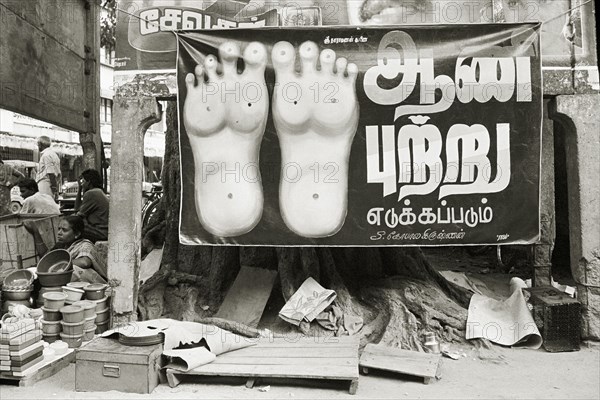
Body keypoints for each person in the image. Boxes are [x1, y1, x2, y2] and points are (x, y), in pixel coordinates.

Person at [26, 215, 107, 284]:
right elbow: (46, 258)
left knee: (72, 271)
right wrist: (35, 232)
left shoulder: (85, 245)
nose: (59, 233)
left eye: (64, 230)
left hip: (92, 284)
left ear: (77, 234)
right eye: (59, 229)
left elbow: (85, 262)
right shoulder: (61, 245)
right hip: (71, 284)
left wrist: (60, 265)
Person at [75, 169, 109, 242]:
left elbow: (78, 215)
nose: (82, 184)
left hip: (100, 231)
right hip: (103, 230)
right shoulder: (98, 191)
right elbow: (77, 208)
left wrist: (80, 189)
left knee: (72, 227)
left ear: (89, 182)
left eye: (83, 181)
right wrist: (80, 188)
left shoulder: (92, 193)